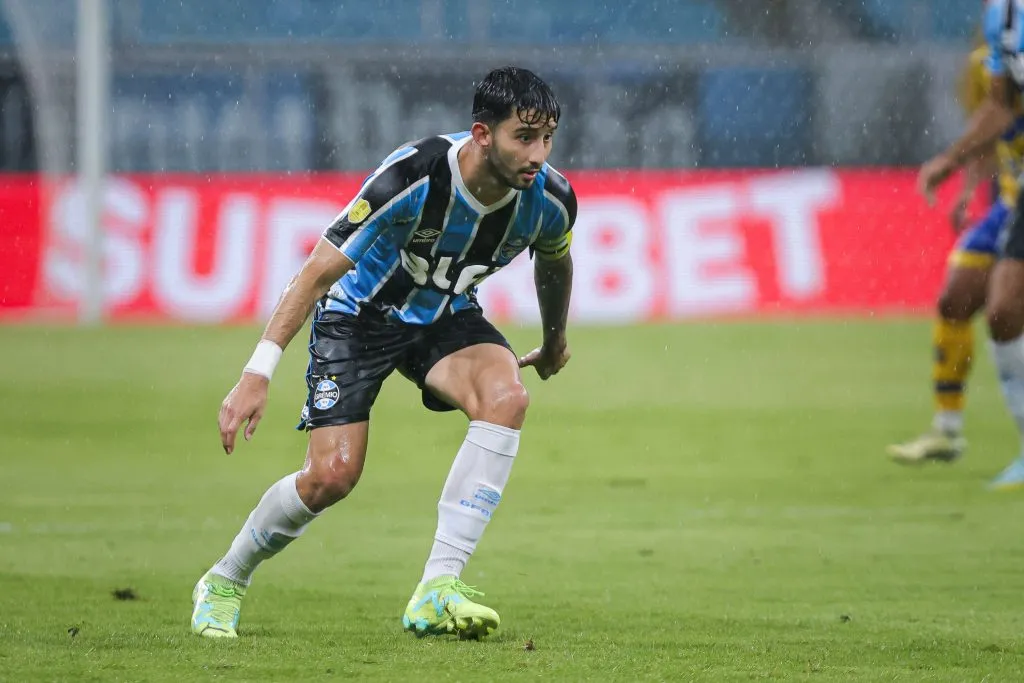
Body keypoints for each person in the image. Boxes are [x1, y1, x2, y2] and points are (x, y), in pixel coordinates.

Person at [190, 66, 577, 639]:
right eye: (523, 137)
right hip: (358, 318)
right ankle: (225, 579)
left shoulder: (550, 200)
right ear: (481, 134)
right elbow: (315, 274)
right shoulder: (413, 175)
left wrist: (554, 340)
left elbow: (555, 262)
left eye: (546, 138)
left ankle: (437, 588)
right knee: (331, 477)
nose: (538, 154)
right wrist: (257, 373)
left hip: (444, 315)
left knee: (506, 398)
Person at [889, 42, 1024, 464]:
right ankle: (947, 430)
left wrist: (948, 164)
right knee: (955, 298)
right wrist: (968, 187)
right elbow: (991, 126)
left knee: (1006, 310)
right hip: (1010, 202)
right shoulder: (987, 58)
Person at [919, 0, 1024, 489]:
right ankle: (950, 427)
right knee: (998, 311)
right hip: (1016, 195)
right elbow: (1000, 108)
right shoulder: (1001, 19)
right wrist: (953, 163)